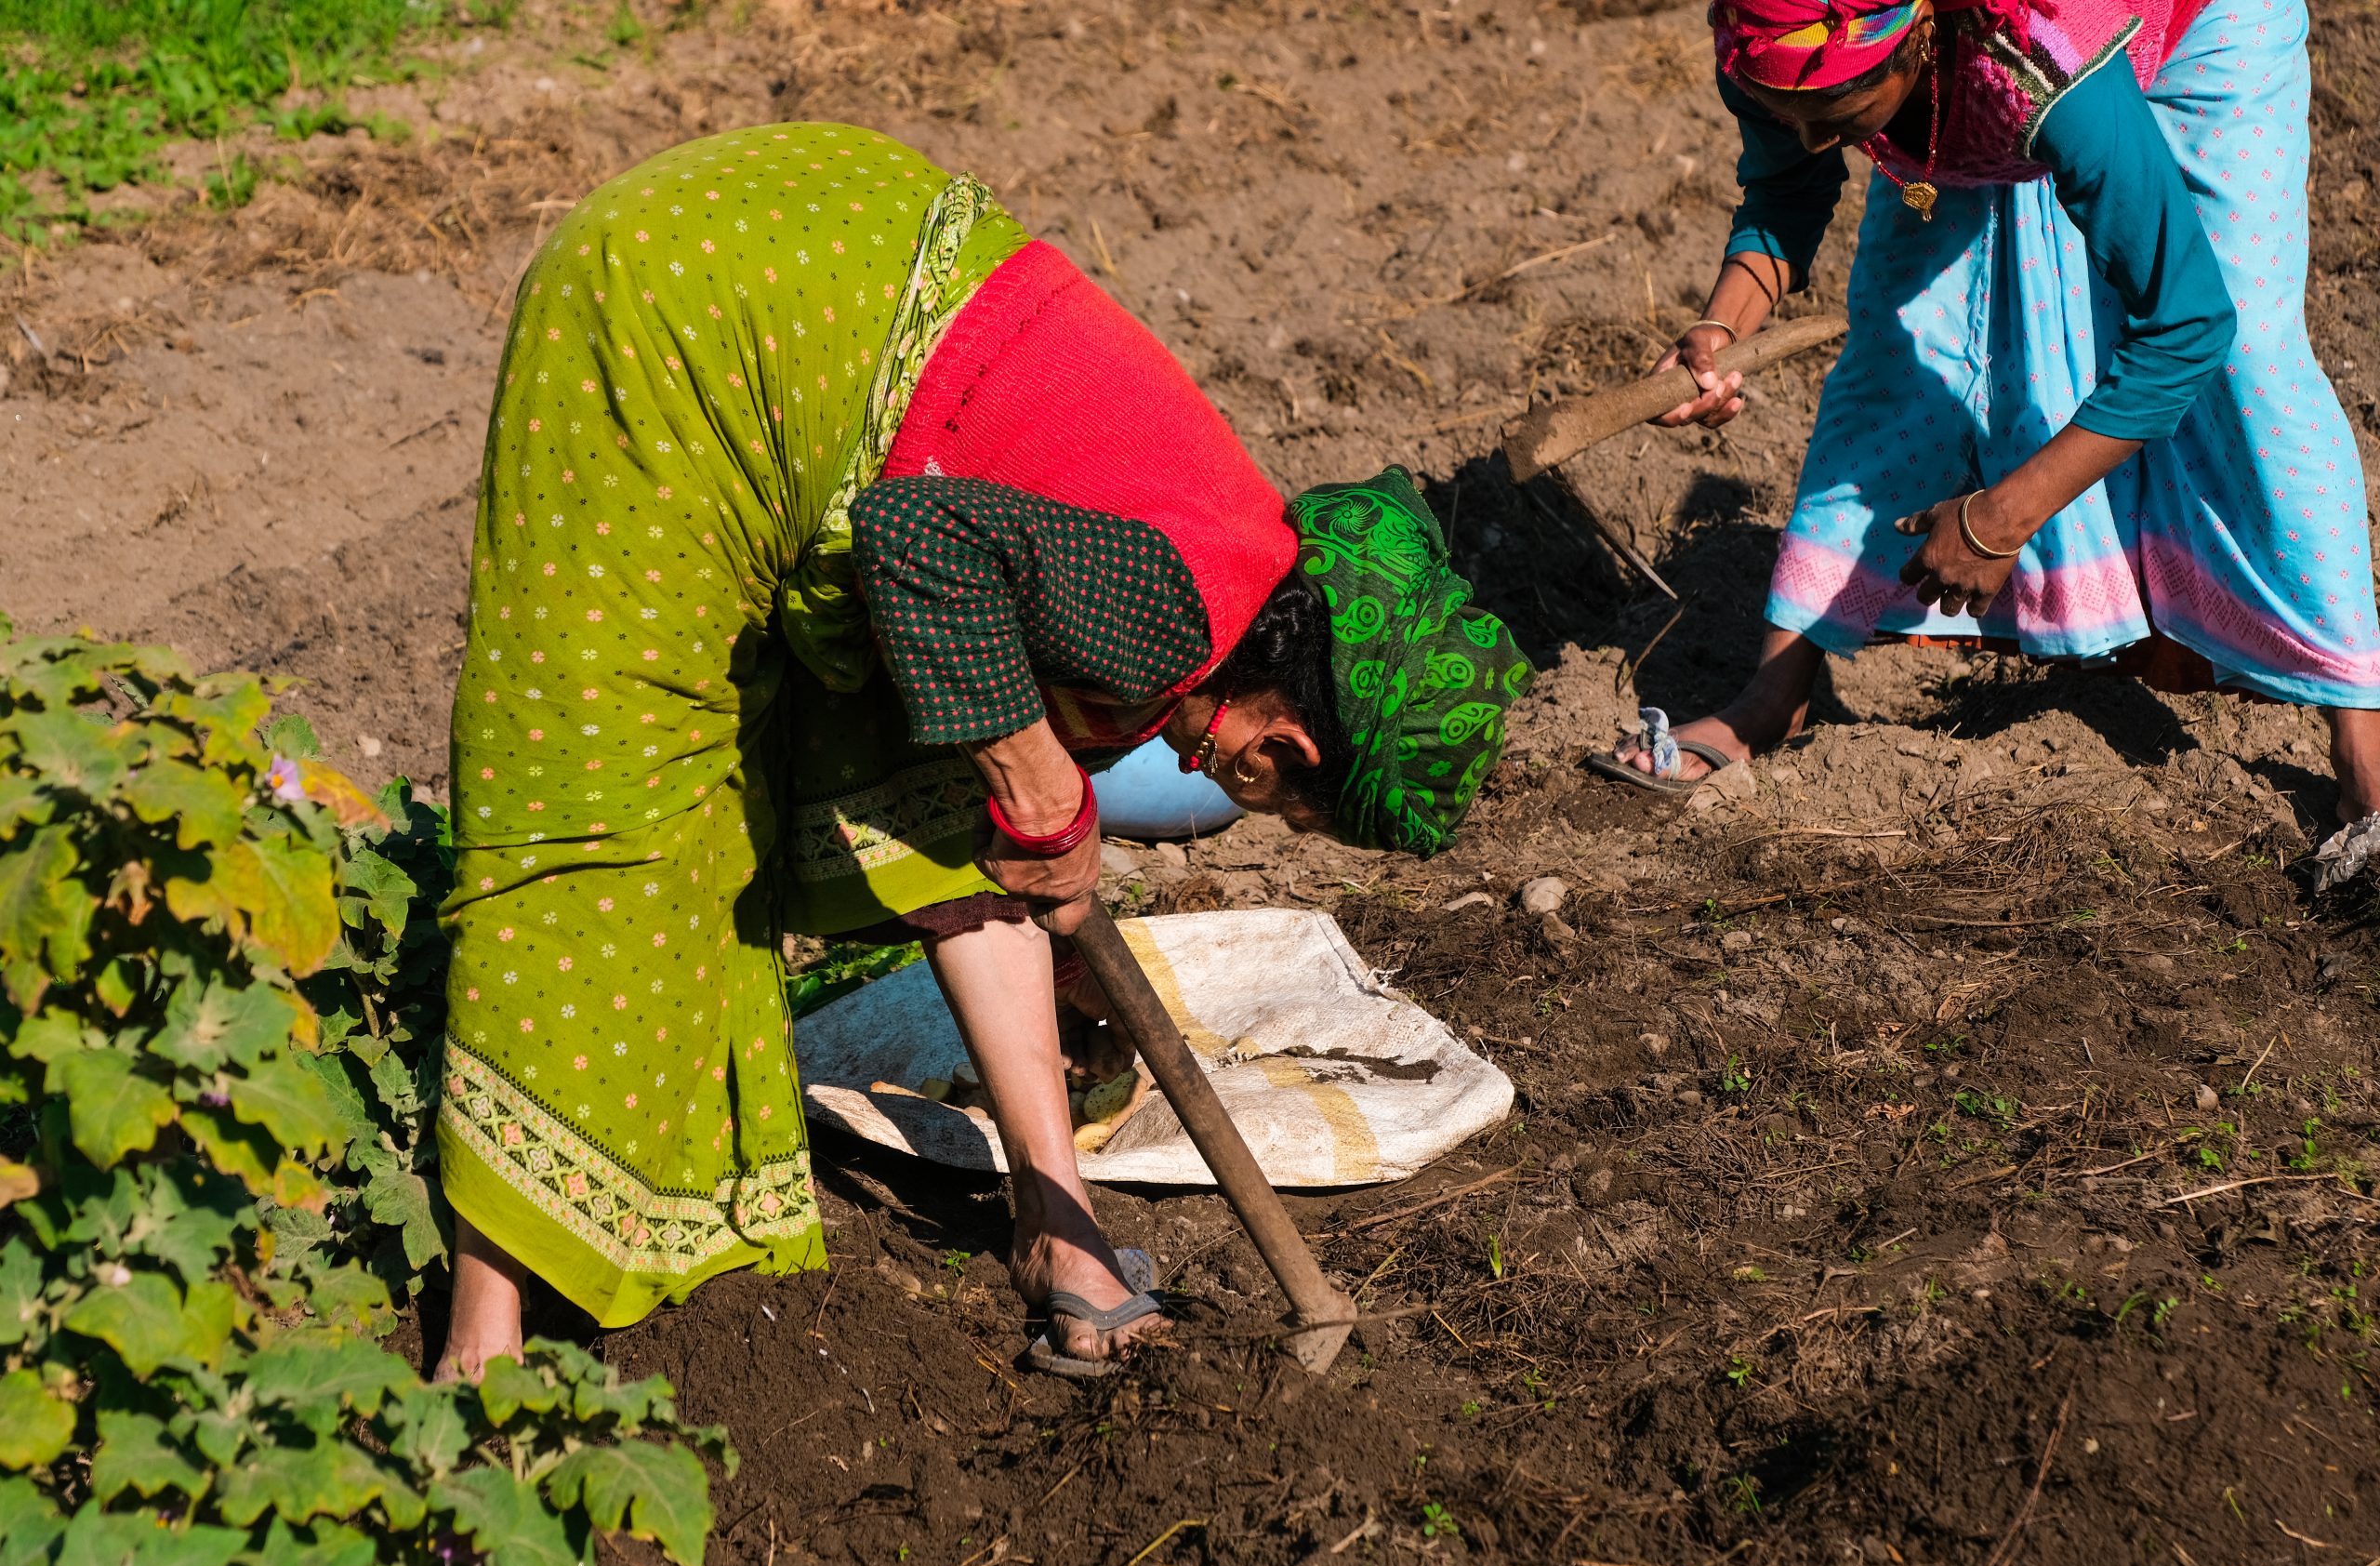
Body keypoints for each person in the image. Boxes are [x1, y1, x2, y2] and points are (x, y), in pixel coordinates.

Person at [433, 123, 1531, 1379]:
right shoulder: (1173, 609)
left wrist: (1033, 808)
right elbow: (913, 536)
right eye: (1282, 803)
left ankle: (1059, 1232)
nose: (1232, 799)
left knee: (954, 762)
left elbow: (987, 771)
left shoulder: (1227, 564)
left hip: (825, 274)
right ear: (1286, 737)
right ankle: (483, 1337)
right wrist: (1036, 780)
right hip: (685, 316)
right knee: (606, 803)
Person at [1593, 0, 2380, 821]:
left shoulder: (2037, 58)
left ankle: (2363, 738)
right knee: (1901, 341)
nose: (1821, 141)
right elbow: (1788, 183)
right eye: (1794, 112)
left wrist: (2000, 518)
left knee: (2249, 360)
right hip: (1988, 84)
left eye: (1839, 115)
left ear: (1918, 40)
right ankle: (1774, 694)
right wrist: (1719, 328)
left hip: (2193, 25)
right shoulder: (1773, 31)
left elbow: (2188, 325)